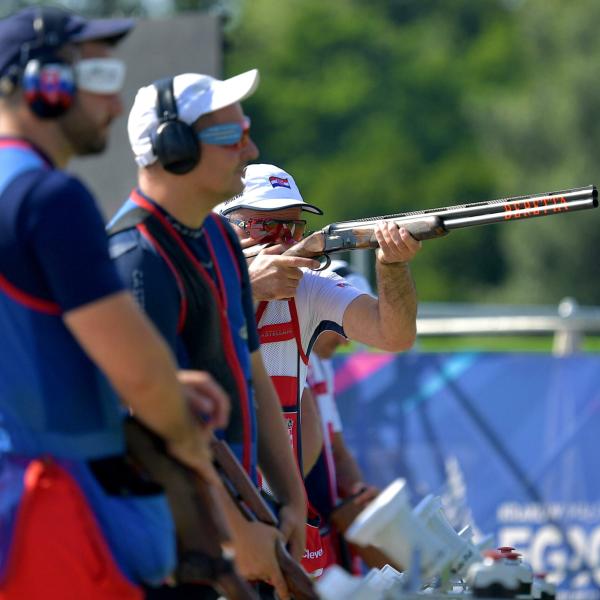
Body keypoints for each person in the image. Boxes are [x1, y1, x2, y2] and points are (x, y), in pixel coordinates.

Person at [0, 6, 225, 598]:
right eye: (98, 79)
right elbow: (139, 376)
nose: (115, 103)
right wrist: (185, 434)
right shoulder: (49, 198)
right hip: (51, 513)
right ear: (44, 84)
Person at [107, 70, 307, 599]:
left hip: (232, 523)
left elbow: (253, 374)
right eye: (231, 136)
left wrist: (290, 499)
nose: (251, 147)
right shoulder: (136, 259)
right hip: (173, 548)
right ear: (173, 147)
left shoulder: (218, 237)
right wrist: (238, 535)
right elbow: (159, 435)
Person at [216, 162, 421, 575]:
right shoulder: (194, 284)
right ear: (223, 228)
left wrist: (391, 266)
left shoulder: (305, 287)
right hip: (204, 513)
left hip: (277, 513)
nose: (282, 242)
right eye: (264, 228)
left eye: (291, 229)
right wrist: (245, 287)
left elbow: (394, 334)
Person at [305, 260, 381, 571]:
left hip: (318, 512)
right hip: (291, 510)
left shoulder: (320, 363)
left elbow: (335, 446)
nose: (347, 340)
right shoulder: (277, 350)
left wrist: (357, 491)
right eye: (343, 326)